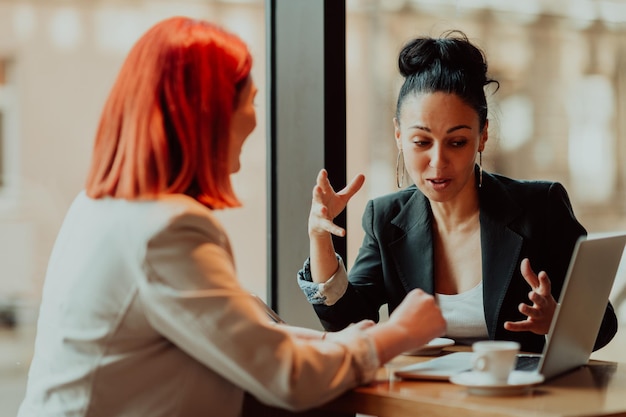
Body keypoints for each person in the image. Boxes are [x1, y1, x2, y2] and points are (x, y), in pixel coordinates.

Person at [17, 17, 447, 417]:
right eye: (251, 101)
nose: (255, 120)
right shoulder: (167, 230)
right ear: (209, 113)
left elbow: (237, 333)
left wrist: (335, 341)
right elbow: (287, 376)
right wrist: (398, 333)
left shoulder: (98, 207)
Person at [298, 30, 618, 354]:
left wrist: (558, 320)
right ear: (398, 135)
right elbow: (348, 324)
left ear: (483, 136)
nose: (438, 162)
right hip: (423, 401)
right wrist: (319, 238)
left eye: (457, 142)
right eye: (422, 142)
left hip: (515, 400)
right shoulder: (385, 218)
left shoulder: (540, 208)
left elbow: (603, 324)